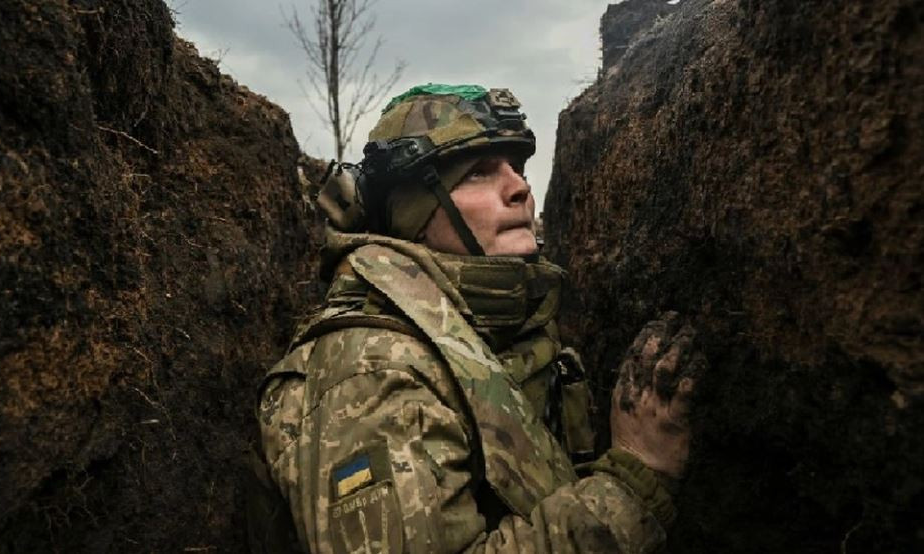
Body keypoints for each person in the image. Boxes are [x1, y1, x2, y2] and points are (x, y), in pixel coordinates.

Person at [253, 84, 705, 553]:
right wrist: (632, 482)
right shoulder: (370, 372)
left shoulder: (495, 327)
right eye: (477, 173)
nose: (520, 188)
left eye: (516, 167)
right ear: (414, 217)